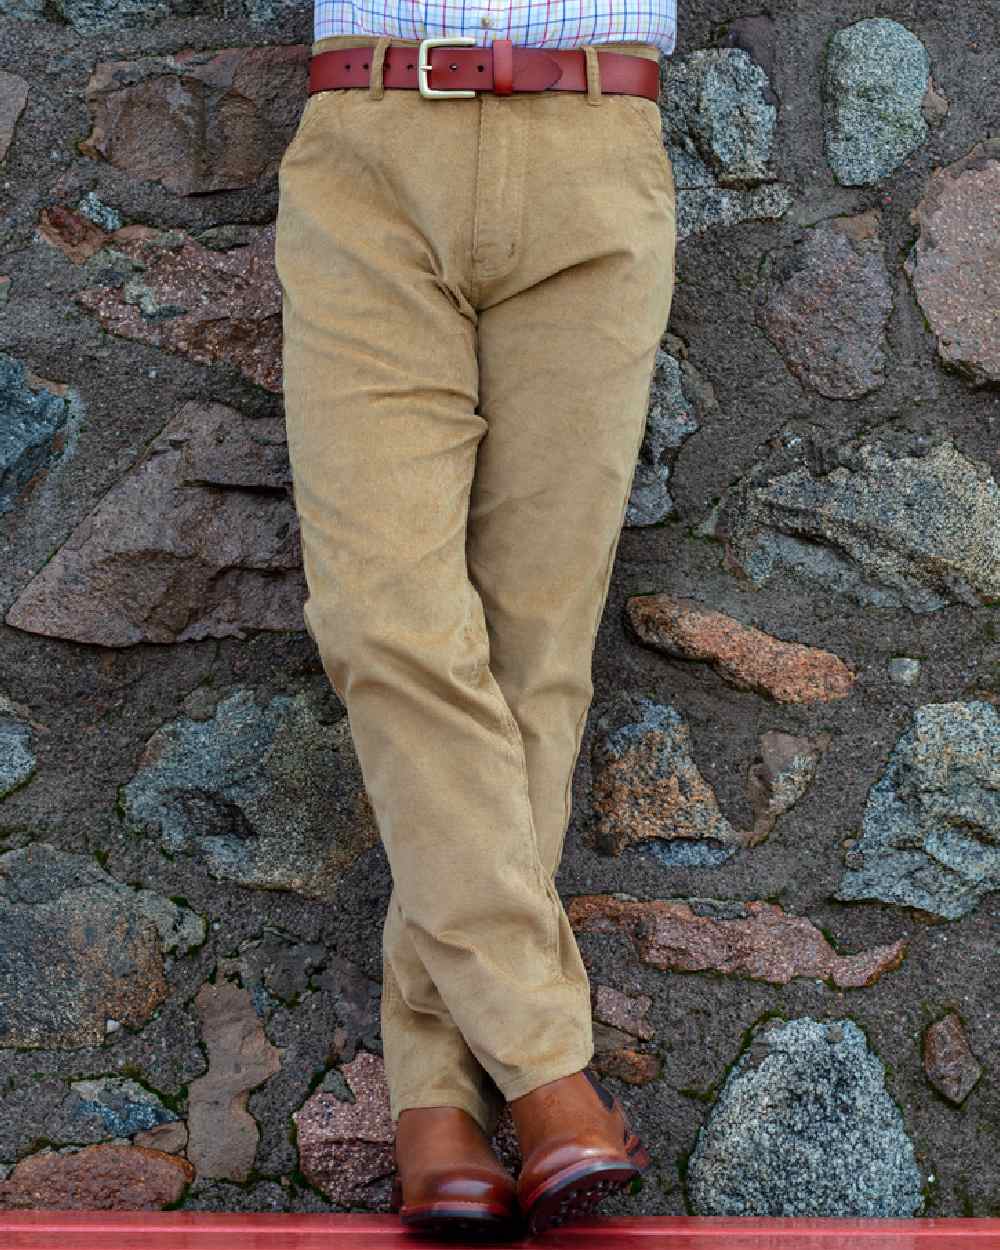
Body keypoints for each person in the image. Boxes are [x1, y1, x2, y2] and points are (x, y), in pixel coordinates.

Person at [275, 0, 678, 1235]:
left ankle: (438, 1108)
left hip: (597, 143)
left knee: (533, 663)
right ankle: (550, 1072)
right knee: (383, 622)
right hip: (368, 139)